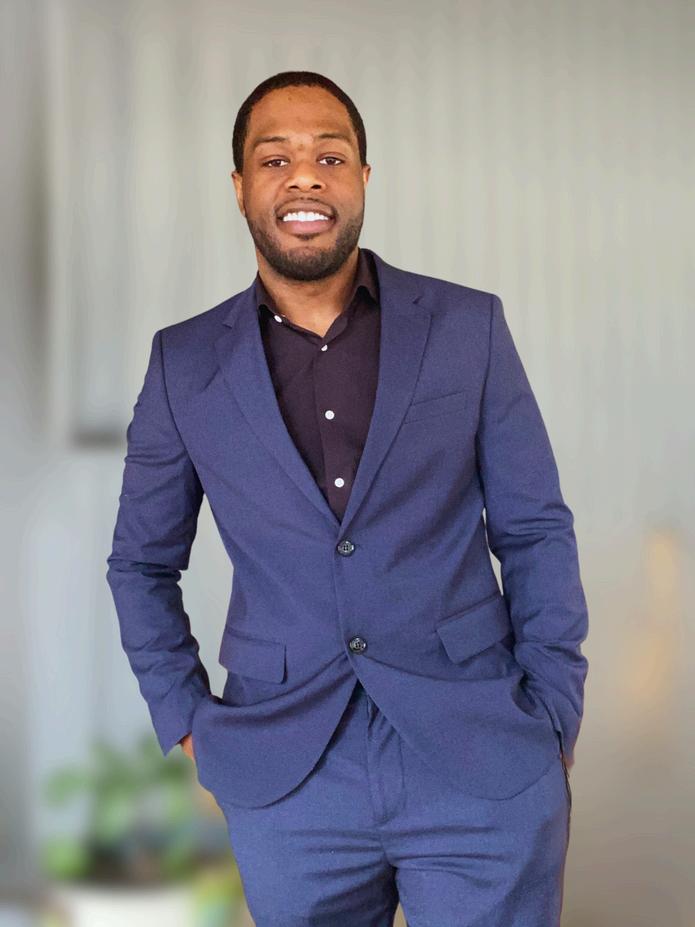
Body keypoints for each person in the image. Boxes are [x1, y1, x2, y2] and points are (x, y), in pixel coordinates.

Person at [106, 69, 589, 926]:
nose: (304, 176)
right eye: (275, 159)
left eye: (329, 157)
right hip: (286, 774)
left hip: (479, 749)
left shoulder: (467, 327)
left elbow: (534, 528)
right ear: (239, 187)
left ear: (363, 178)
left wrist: (552, 705)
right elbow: (140, 563)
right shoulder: (184, 362)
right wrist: (185, 718)